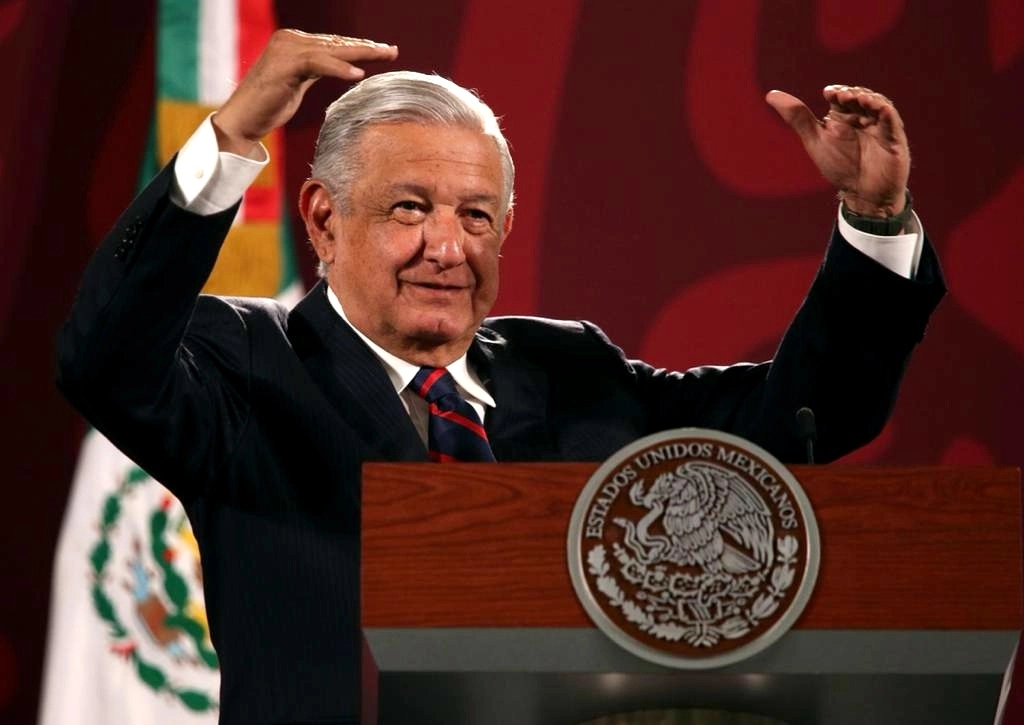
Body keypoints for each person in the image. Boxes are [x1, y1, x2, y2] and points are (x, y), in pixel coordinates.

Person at [56, 29, 945, 725]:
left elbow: (794, 425)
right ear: (324, 220)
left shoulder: (573, 370)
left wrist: (873, 219)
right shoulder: (250, 364)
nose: (448, 247)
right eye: (410, 207)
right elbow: (103, 361)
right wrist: (230, 139)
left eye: (476, 216)